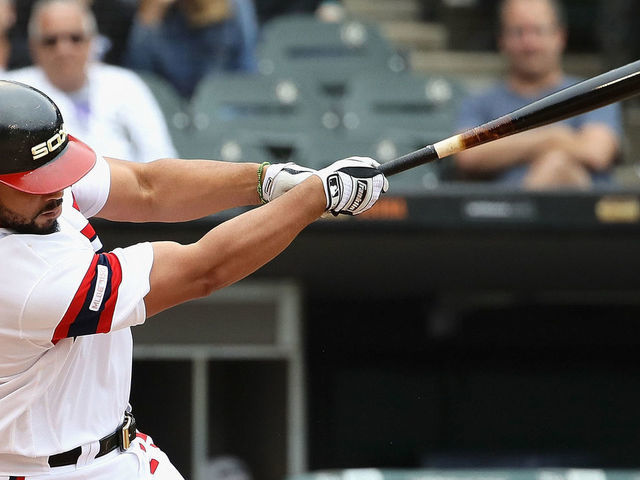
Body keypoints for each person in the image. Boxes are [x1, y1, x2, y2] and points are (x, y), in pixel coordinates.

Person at [0, 79, 387, 479]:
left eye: (54, 172)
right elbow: (203, 269)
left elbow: (146, 187)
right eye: (34, 182)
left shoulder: (28, 198)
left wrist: (267, 180)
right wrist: (312, 198)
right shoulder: (20, 279)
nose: (57, 188)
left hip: (122, 451)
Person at [454, 0, 623, 189]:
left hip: (581, 212)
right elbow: (466, 154)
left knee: (559, 164)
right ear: (501, 40)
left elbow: (596, 152)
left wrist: (504, 149)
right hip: (497, 212)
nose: (529, 44)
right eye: (518, 32)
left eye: (538, 31)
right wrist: (552, 138)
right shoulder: (479, 102)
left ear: (560, 36)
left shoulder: (593, 93)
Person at [5, 0, 176, 164]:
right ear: (33, 46)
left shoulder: (125, 84)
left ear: (92, 42)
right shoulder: (14, 91)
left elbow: (161, 155)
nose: (64, 49)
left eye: (75, 38)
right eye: (51, 41)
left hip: (129, 190)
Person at [123, 0, 259, 98]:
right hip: (172, 111)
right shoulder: (159, 11)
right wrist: (148, 18)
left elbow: (247, 71)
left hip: (223, 107)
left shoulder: (236, 6)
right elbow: (139, 78)